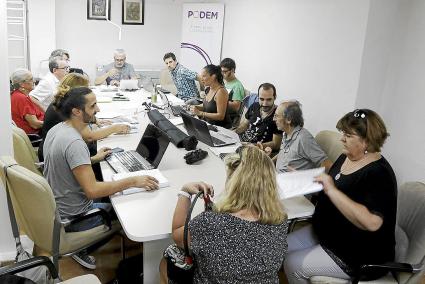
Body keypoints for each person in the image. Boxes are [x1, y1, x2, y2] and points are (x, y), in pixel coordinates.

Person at [43, 87, 159, 269]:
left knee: (114, 190)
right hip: (74, 218)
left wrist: (93, 159)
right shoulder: (74, 142)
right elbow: (92, 191)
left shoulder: (59, 129)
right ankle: (81, 247)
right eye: (93, 106)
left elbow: (66, 163)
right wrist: (134, 181)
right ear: (76, 111)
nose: (98, 110)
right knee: (128, 208)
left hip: (58, 207)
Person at [284, 109, 397, 283]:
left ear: (367, 140)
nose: (341, 139)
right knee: (279, 247)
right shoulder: (346, 157)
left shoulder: (379, 174)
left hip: (355, 251)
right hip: (327, 233)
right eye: (342, 133)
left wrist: (332, 190)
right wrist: (303, 179)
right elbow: (334, 185)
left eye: (348, 135)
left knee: (293, 264)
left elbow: (372, 222)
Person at [160, 146, 288, 283]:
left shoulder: (209, 223)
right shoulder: (280, 220)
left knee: (168, 257)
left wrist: (185, 192)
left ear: (234, 182)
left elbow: (178, 235)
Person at [38, 73, 130, 182]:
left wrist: (93, 118)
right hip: (62, 169)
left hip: (57, 162)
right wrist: (115, 128)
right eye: (86, 88)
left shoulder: (61, 107)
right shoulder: (73, 140)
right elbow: (90, 137)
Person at [273, 100, 332, 172]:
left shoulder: (303, 138)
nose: (274, 119)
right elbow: (286, 154)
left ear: (288, 120)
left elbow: (327, 164)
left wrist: (306, 179)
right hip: (278, 178)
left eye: (276, 116)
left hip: (291, 182)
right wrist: (268, 161)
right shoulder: (286, 134)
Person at [235, 82, 282, 152]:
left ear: (274, 97)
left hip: (257, 150)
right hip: (240, 142)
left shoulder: (278, 115)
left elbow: (276, 144)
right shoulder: (254, 106)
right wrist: (233, 133)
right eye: (262, 99)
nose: (264, 104)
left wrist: (254, 146)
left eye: (269, 99)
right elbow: (245, 124)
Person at [190, 64, 232, 129]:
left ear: (213, 76)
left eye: (204, 76)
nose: (201, 79)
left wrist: (200, 113)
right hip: (208, 124)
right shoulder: (208, 89)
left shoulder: (221, 92)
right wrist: (194, 107)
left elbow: (220, 116)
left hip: (219, 129)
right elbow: (207, 106)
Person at [10, 69, 44, 135]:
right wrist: (52, 123)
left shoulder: (19, 95)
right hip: (35, 136)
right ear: (22, 84)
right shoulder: (21, 98)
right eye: (31, 79)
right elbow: (35, 124)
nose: (34, 81)